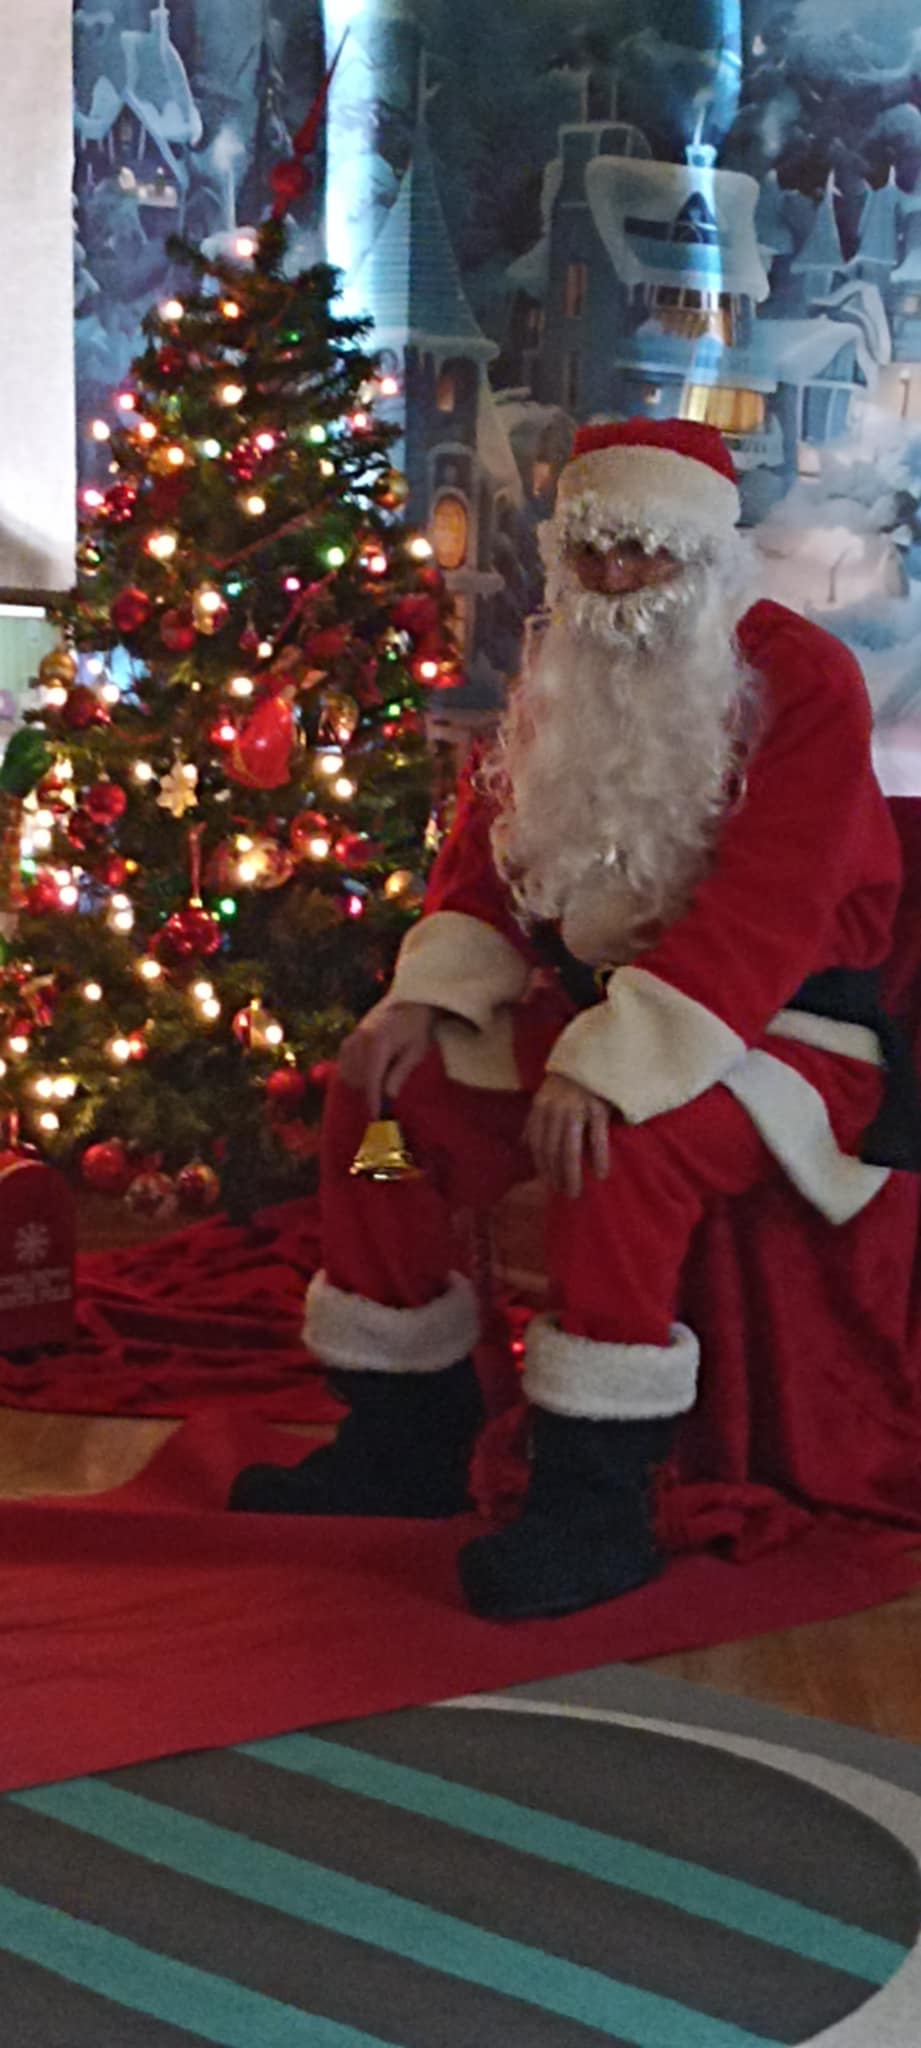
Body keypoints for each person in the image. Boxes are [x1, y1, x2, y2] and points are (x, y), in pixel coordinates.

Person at [229, 416, 904, 1622]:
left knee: (617, 1150)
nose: (615, 577)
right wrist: (427, 995)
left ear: (705, 552)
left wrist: (615, 1065)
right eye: (592, 549)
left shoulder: (800, 680)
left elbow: (770, 910)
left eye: (643, 549)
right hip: (589, 1014)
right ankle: (408, 1428)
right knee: (384, 1112)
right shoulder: (564, 667)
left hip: (779, 1034)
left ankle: (598, 1497)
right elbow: (491, 859)